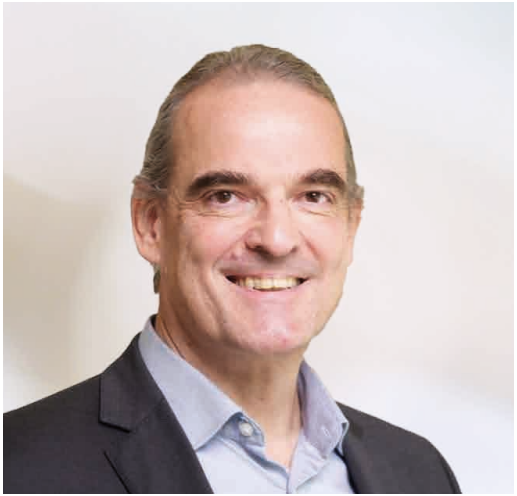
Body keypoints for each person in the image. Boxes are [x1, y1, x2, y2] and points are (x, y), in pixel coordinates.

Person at [4, 44, 461, 494]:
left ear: (351, 226)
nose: (276, 239)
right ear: (150, 224)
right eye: (225, 196)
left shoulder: (419, 474)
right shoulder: (20, 468)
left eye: (313, 197)